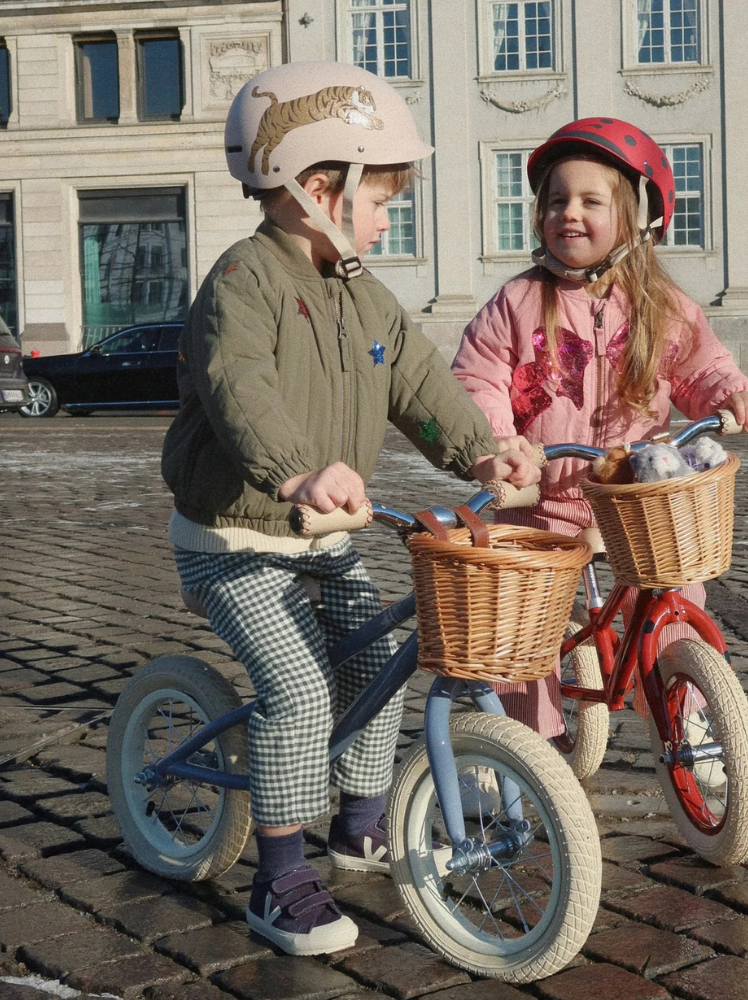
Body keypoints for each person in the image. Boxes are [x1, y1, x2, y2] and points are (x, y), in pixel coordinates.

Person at [160, 62, 540, 958]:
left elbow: (418, 382)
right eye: (380, 195)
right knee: (296, 690)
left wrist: (483, 448)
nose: (387, 213)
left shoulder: (363, 291)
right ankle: (279, 874)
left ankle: (360, 818)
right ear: (316, 188)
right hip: (235, 536)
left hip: (318, 537)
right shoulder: (241, 284)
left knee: (374, 653)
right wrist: (295, 473)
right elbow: (239, 388)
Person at [451, 117, 748, 738]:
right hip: (539, 497)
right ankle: (526, 744)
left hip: (633, 498)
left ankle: (689, 717)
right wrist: (499, 444)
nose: (568, 213)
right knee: (522, 622)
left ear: (635, 217)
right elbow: (477, 377)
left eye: (590, 201)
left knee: (676, 590)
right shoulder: (518, 302)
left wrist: (735, 395)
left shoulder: (661, 304)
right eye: (556, 200)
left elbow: (702, 365)